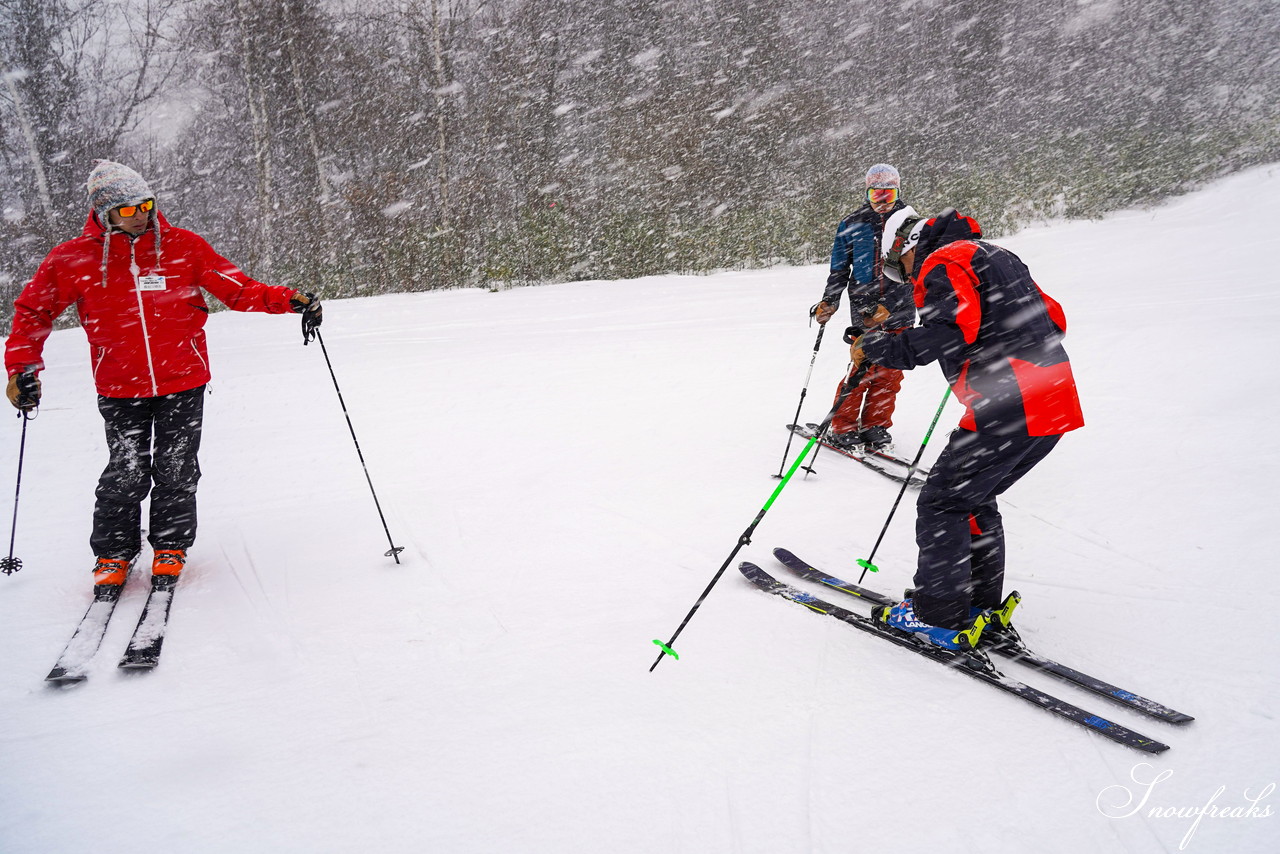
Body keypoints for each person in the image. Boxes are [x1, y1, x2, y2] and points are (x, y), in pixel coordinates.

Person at [4, 160, 323, 589]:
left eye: (146, 204)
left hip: (183, 379)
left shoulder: (184, 246)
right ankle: (114, 554)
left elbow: (238, 288)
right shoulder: (71, 259)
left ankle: (170, 545)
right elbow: (32, 313)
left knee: (177, 467)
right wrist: (23, 368)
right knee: (126, 469)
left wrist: (289, 300)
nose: (140, 214)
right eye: (128, 208)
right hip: (119, 385)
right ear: (104, 213)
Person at [850, 206, 1084, 651]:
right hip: (1052, 399)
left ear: (912, 247)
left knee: (942, 504)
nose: (907, 277)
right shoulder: (996, 255)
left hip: (1009, 403)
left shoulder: (945, 259)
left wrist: (878, 345)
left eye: (901, 267)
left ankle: (937, 616)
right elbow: (1053, 318)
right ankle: (976, 604)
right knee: (971, 499)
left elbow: (946, 334)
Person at [811, 163, 914, 451]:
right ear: (867, 192)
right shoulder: (853, 223)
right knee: (862, 368)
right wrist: (830, 300)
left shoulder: (911, 223)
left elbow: (920, 270)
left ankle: (875, 426)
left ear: (898, 192)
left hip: (901, 307)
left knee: (891, 370)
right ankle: (842, 426)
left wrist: (893, 305)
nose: (882, 201)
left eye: (889, 194)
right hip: (865, 309)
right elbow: (839, 269)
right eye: (876, 194)